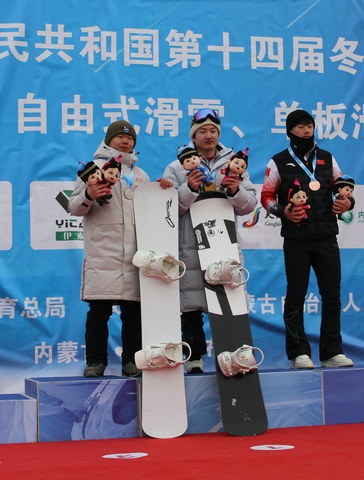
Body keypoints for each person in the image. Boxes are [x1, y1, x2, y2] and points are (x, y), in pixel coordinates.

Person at [161, 108, 258, 373]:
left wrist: (236, 190)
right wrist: (189, 188)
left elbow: (249, 205)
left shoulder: (235, 163)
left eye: (213, 131)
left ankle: (234, 357)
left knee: (228, 300)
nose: (208, 135)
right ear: (193, 135)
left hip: (224, 242)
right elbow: (168, 210)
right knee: (191, 302)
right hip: (190, 244)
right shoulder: (176, 166)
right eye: (202, 131)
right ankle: (195, 357)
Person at [260, 109, 355, 369]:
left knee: (332, 295)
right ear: (290, 130)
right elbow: (266, 197)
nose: (306, 130)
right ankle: (298, 353)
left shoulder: (327, 158)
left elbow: (343, 188)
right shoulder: (278, 161)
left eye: (309, 125)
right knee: (296, 294)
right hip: (296, 239)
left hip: (326, 237)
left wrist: (348, 203)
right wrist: (283, 212)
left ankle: (332, 352)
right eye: (300, 126)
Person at [69, 120, 150, 378]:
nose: (125, 141)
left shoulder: (141, 175)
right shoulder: (92, 169)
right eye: (120, 137)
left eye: (130, 138)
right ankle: (95, 362)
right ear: (108, 139)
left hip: (135, 253)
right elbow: (73, 207)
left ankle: (132, 361)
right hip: (103, 251)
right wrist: (89, 195)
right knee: (99, 312)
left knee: (133, 313)